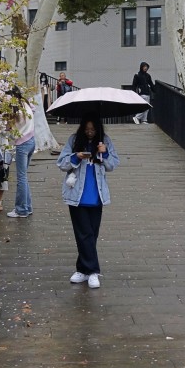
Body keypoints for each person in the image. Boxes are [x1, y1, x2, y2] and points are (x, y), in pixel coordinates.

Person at [56, 115, 120, 289]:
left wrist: (104, 152)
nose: (90, 133)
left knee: (91, 234)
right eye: (87, 129)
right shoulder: (74, 140)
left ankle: (82, 269)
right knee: (84, 233)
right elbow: (61, 163)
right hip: (76, 195)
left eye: (92, 130)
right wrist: (76, 157)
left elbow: (113, 165)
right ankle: (92, 271)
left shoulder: (104, 141)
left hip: (97, 195)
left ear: (98, 129)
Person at [6, 100, 36, 218]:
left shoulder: (15, 111)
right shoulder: (26, 104)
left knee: (21, 178)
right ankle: (27, 207)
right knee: (24, 176)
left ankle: (21, 209)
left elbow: (6, 127)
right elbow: (34, 109)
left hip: (22, 144)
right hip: (31, 141)